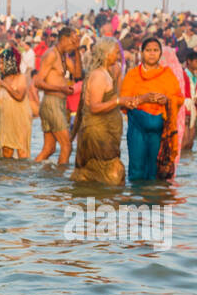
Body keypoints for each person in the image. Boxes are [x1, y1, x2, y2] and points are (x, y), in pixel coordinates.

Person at [120, 37, 184, 181]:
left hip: (159, 130)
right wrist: (144, 99)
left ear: (160, 53)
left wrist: (167, 100)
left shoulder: (167, 75)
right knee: (136, 171)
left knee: (155, 172)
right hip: (137, 128)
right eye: (148, 50)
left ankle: (153, 201)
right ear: (142, 53)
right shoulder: (132, 75)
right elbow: (123, 102)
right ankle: (136, 200)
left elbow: (179, 98)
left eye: (155, 50)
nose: (152, 54)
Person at [72, 37, 131, 185]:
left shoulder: (107, 72)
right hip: (97, 134)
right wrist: (119, 101)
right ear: (106, 53)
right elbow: (94, 107)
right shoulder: (99, 76)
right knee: (114, 175)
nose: (118, 56)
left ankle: (96, 204)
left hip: (103, 133)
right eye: (116, 53)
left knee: (96, 178)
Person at [34, 27, 78, 164]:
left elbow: (77, 74)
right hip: (51, 102)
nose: (74, 43)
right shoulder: (51, 54)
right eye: (73, 40)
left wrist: (77, 50)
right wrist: (61, 88)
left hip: (57, 103)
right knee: (67, 146)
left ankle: (32, 175)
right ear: (64, 39)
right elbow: (38, 82)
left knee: (49, 149)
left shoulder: (63, 56)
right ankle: (61, 183)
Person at [0, 43, 37, 158]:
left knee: (22, 153)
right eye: (0, 63)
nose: (0, 66)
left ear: (10, 63)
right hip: (5, 123)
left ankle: (21, 176)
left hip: (21, 122)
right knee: (6, 153)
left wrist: (6, 86)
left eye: (3, 63)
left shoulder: (20, 78)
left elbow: (20, 97)